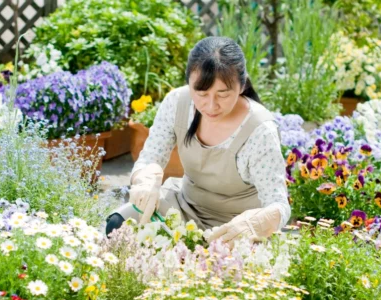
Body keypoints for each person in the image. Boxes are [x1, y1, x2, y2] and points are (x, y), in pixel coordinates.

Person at [106, 36, 290, 246]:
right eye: (201, 93)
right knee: (119, 226)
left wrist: (254, 225)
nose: (211, 106)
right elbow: (150, 158)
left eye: (223, 94)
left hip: (235, 229)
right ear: (189, 83)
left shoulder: (260, 130)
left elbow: (279, 205)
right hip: (183, 209)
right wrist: (147, 180)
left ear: (241, 85)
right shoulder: (177, 103)